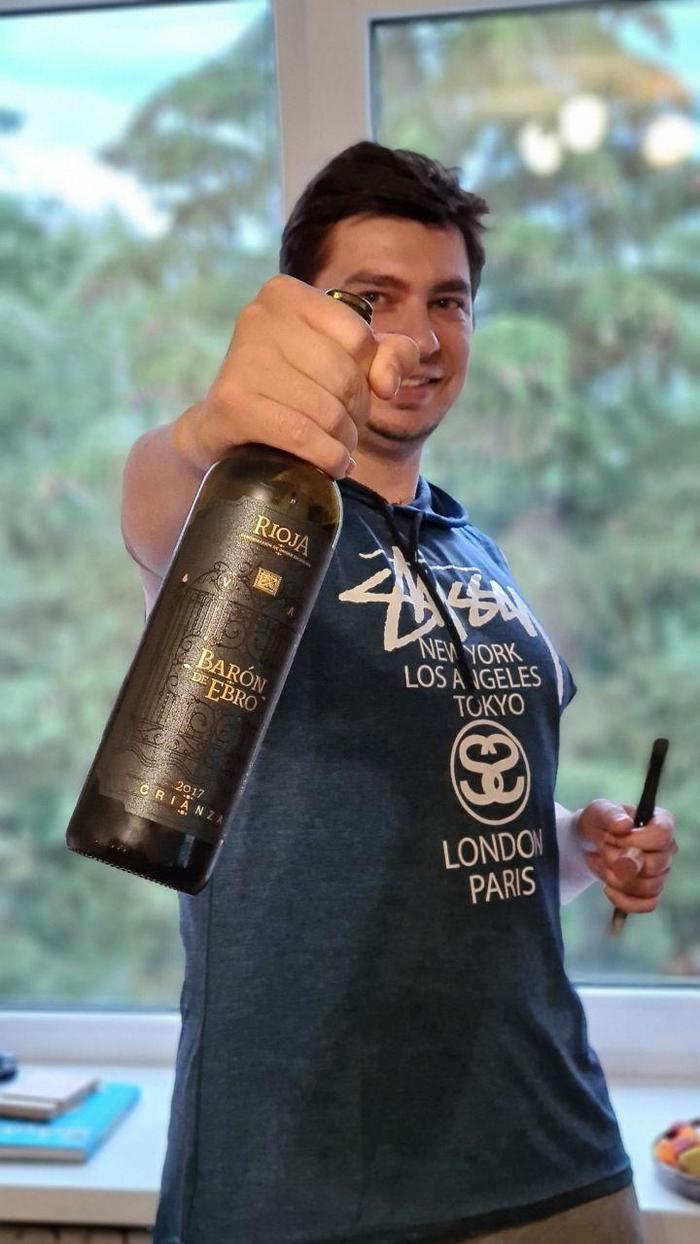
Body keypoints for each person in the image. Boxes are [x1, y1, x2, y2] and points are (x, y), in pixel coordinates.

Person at [122, 142, 677, 1244]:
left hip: (552, 1151)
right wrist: (205, 430)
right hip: (302, 1182)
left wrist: (583, 840)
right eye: (371, 299)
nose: (418, 338)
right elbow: (157, 499)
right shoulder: (250, 516)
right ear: (304, 315)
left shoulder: (475, 549)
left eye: (447, 301)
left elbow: (467, 825)